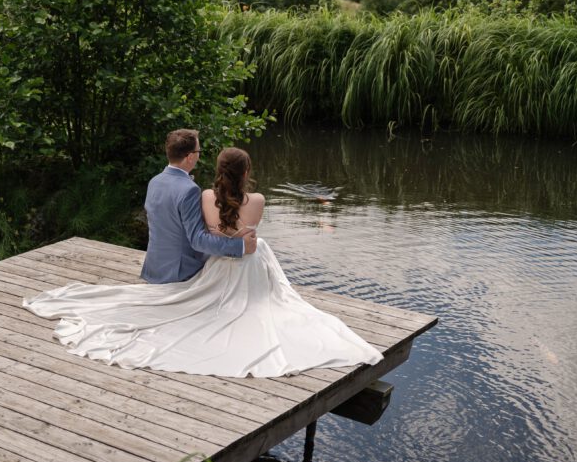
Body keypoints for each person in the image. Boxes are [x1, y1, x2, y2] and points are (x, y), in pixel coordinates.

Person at [22, 146, 383, 378]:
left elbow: (207, 235)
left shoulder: (206, 195)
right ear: (245, 172)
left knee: (208, 302)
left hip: (214, 264)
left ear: (218, 169)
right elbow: (246, 234)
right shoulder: (255, 199)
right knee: (275, 304)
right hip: (248, 261)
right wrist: (241, 243)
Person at [140, 129, 257, 284]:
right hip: (179, 272)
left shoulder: (155, 181)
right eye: (198, 151)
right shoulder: (190, 190)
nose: (199, 154)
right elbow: (198, 241)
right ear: (190, 157)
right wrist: (241, 246)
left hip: (154, 268)